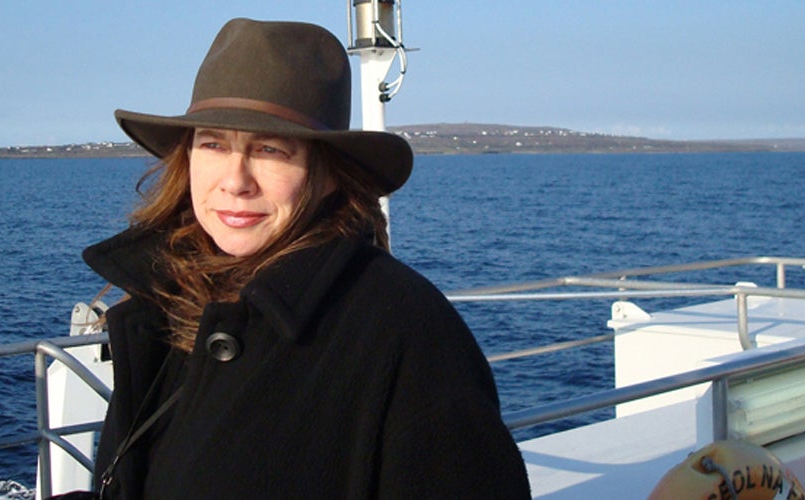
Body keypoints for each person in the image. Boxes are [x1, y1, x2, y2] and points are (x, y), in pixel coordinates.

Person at [77, 17, 531, 499]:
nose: (235, 180)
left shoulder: (404, 331)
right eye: (213, 143)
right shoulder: (170, 300)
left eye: (270, 149)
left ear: (329, 173)